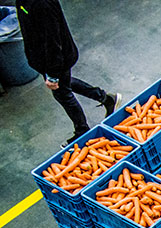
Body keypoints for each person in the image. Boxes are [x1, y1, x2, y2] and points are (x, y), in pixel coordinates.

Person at [16, 0, 118, 144]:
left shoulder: (42, 4)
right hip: (44, 59)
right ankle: (105, 98)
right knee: (65, 83)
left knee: (62, 93)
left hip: (57, 59)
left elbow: (52, 41)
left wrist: (52, 74)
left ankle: (82, 131)